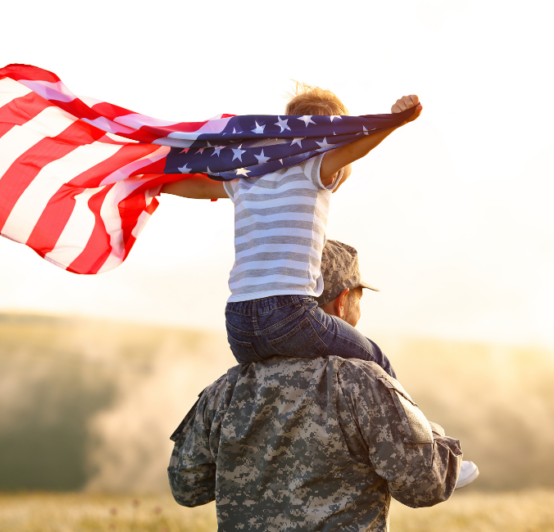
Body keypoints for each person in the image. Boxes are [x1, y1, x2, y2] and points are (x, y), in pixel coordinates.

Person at [167, 240, 479, 531]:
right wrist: (432, 436)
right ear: (342, 302)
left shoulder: (225, 389)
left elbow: (187, 487)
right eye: (358, 298)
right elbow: (425, 485)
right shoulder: (363, 382)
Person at [161, 86, 417, 378]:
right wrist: (395, 121)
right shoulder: (313, 167)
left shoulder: (249, 175)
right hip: (289, 315)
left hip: (239, 327)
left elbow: (197, 186)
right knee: (378, 361)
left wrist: (148, 183)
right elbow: (352, 152)